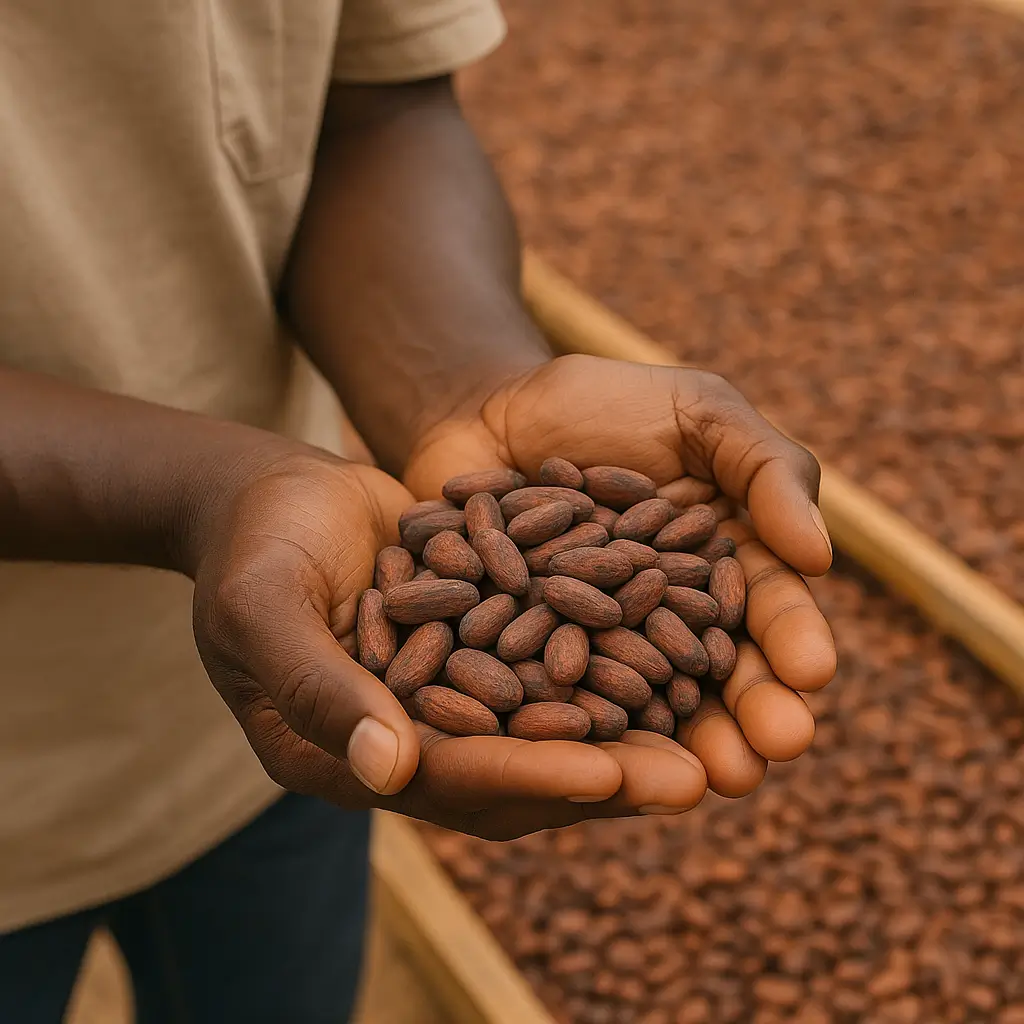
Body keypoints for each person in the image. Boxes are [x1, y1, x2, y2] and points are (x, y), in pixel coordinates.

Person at [0, 1, 836, 1020]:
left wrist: (464, 389)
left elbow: (375, 111)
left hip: (286, 683)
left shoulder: (383, 616)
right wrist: (205, 492)